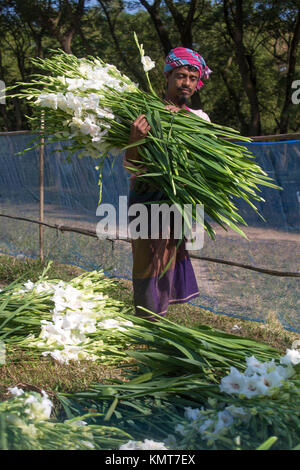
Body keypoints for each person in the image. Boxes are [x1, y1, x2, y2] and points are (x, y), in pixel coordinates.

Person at [123, 47, 212, 321]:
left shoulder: (199, 120)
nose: (186, 82)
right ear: (167, 77)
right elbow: (130, 166)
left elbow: (204, 165)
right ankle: (147, 323)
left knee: (168, 258)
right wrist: (135, 139)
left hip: (178, 200)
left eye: (192, 77)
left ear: (198, 83)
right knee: (147, 260)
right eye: (180, 75)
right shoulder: (146, 114)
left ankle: (158, 321)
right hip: (146, 198)